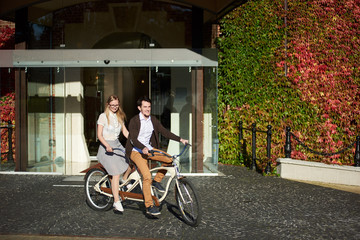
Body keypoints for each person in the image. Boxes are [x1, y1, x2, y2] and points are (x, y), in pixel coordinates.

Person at [125, 96, 188, 216]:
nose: (147, 109)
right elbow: (133, 138)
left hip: (148, 149)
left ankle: (157, 181)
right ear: (139, 108)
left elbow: (164, 132)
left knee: (169, 159)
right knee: (147, 176)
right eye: (145, 107)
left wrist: (180, 139)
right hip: (135, 151)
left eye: (149, 107)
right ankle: (149, 206)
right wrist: (142, 147)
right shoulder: (134, 121)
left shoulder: (152, 120)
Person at [97, 95, 132, 214]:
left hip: (117, 145)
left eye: (117, 105)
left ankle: (124, 179)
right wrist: (107, 145)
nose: (115, 107)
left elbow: (125, 132)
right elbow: (99, 135)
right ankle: (116, 202)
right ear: (108, 105)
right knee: (115, 173)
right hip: (105, 147)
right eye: (112, 105)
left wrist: (134, 140)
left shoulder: (120, 116)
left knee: (130, 162)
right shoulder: (103, 117)